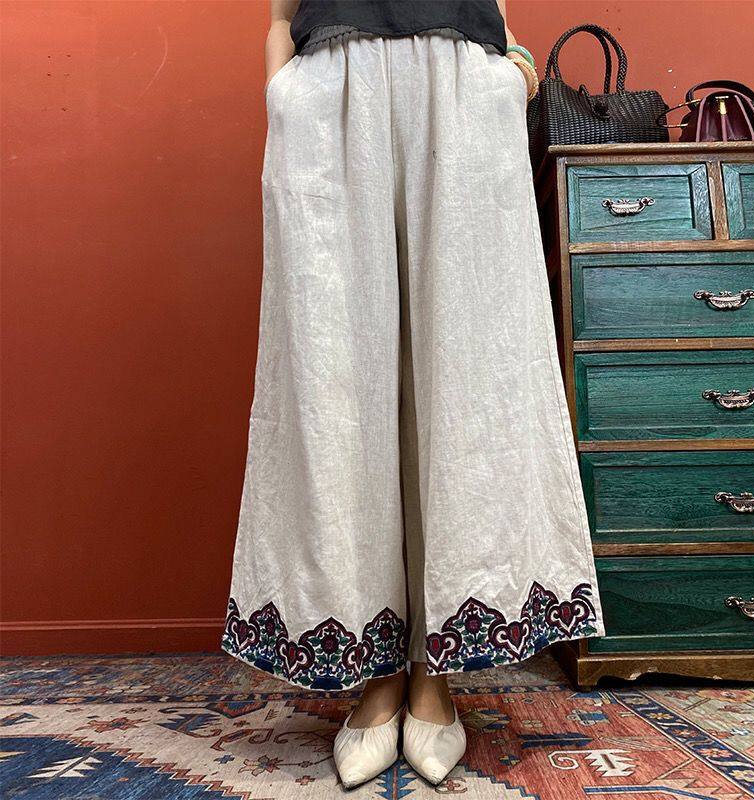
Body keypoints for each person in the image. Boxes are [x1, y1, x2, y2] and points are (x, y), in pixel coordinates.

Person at [221, 0, 605, 789]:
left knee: (467, 381)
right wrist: (283, 101)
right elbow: (281, 14)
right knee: (334, 386)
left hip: (461, 96)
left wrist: (512, 74)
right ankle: (376, 672)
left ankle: (435, 672)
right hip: (330, 99)